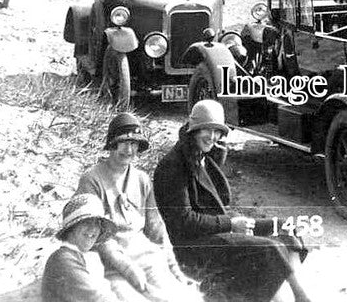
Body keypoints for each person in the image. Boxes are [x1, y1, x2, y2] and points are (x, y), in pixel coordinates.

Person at [154, 100, 314, 302]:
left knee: (284, 228)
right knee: (268, 249)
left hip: (217, 230)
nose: (212, 137)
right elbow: (183, 222)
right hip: (193, 247)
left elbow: (219, 199)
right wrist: (231, 224)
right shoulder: (173, 166)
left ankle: (299, 294)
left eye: (217, 131)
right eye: (207, 130)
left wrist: (218, 155)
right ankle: (299, 298)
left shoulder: (201, 155)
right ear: (194, 129)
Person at [76, 113, 202, 302]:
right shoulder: (91, 179)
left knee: (181, 296)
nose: (129, 150)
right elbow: (94, 234)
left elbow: (157, 230)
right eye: (123, 142)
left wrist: (175, 271)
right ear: (112, 144)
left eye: (134, 144)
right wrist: (128, 269)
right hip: (108, 261)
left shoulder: (142, 179)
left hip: (144, 255)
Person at [42, 194, 119, 302]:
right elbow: (97, 298)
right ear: (72, 228)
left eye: (97, 223)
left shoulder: (84, 258)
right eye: (86, 221)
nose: (93, 228)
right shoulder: (62, 259)